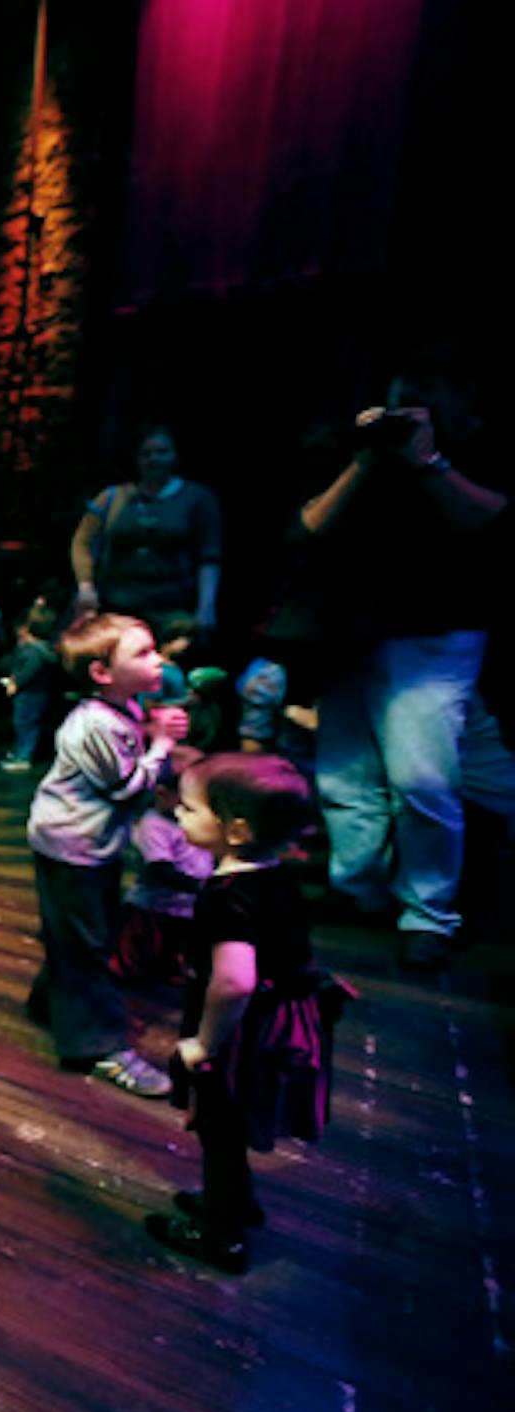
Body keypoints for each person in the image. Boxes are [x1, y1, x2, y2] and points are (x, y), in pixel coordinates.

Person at [295, 354, 507, 970]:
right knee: (344, 774)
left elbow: (490, 522)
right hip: (349, 632)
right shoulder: (355, 450)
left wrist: (429, 462)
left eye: (428, 391)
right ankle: (356, 888)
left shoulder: (472, 449)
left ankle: (429, 914)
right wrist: (365, 458)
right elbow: (309, 527)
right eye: (402, 393)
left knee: (423, 780)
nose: (411, 403)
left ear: (458, 402)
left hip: (437, 636)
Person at [149, 753, 348, 1272]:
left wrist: (203, 1044)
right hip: (286, 1018)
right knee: (229, 1128)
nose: (177, 816)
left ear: (235, 830)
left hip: (246, 1034)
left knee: (220, 1129)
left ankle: (222, 1237)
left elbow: (234, 981)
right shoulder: (275, 875)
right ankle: (237, 1203)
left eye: (190, 809)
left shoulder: (226, 897)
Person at [24, 613, 189, 1095]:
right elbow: (125, 788)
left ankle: (50, 1004)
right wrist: (161, 746)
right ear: (101, 673)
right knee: (87, 945)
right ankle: (96, 1047)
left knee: (79, 935)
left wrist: (155, 729)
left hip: (89, 844)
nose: (157, 660)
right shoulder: (94, 724)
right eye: (141, 653)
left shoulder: (122, 708)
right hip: (74, 848)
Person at [69, 425, 222, 636]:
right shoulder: (112, 497)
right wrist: (86, 586)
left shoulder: (196, 498)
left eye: (162, 452)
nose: (154, 459)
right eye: (146, 453)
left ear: (175, 455)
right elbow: (83, 542)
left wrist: (206, 606)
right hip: (116, 606)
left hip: (171, 609)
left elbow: (209, 557)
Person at [113, 747, 210, 986]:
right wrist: (200, 886)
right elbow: (158, 869)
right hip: (156, 908)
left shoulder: (190, 822)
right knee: (140, 956)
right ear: (163, 793)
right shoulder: (153, 826)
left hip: (185, 907)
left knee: (174, 949)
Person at [0, 604, 61, 772]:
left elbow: (28, 670)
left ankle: (23, 756)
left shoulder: (32, 652)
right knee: (29, 724)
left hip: (29, 695)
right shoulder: (45, 649)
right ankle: (23, 751)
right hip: (39, 693)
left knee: (25, 724)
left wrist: (16, 683)